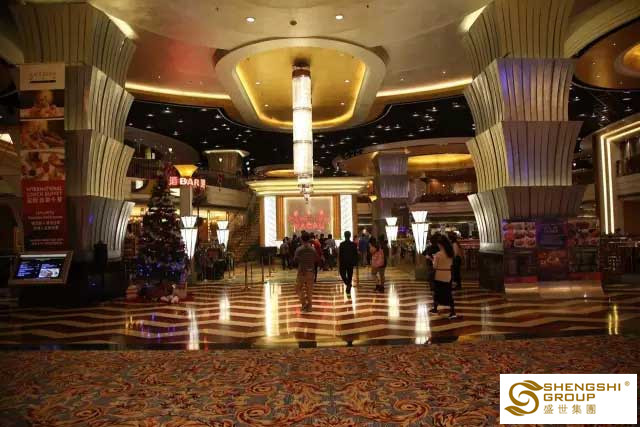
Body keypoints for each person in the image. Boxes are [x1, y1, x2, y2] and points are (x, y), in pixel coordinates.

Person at [429, 235, 457, 319]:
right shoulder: (450, 253)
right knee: (448, 293)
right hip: (448, 274)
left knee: (437, 293)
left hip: (439, 275)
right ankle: (452, 311)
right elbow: (451, 264)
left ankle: (435, 309)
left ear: (441, 244)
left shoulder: (438, 254)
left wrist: (432, 259)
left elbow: (434, 266)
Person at [294, 232, 316, 313]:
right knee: (309, 290)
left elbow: (295, 259)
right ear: (309, 239)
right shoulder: (312, 249)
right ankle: (310, 307)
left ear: (301, 239)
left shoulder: (299, 249)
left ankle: (304, 303)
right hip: (311, 271)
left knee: (298, 288)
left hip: (302, 271)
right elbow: (315, 258)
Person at [338, 231, 358, 296]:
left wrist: (339, 262)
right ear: (350, 236)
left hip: (343, 262)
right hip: (351, 262)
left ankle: (348, 285)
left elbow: (340, 254)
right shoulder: (353, 244)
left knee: (342, 274)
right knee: (350, 275)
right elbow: (355, 254)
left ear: (344, 236)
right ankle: (348, 285)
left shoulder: (342, 244)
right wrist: (355, 262)